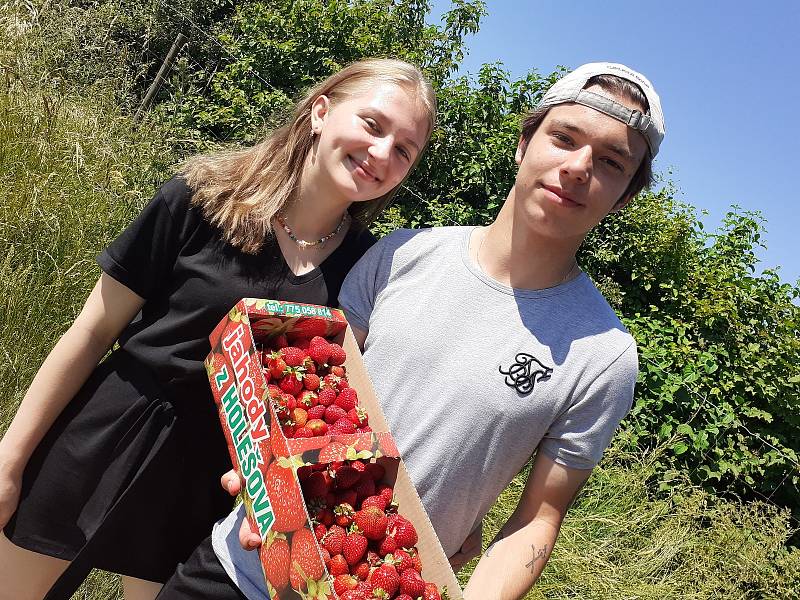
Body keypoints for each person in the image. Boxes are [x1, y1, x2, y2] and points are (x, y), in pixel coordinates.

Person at [165, 61, 665, 600]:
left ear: (625, 195)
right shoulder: (405, 253)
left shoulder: (604, 355)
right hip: (240, 564)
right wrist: (259, 465)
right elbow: (311, 385)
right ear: (525, 143)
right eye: (564, 138)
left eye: (612, 162)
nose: (577, 167)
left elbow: (537, 521)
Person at [0, 58, 436, 600]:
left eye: (404, 150)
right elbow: (91, 332)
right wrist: (10, 459)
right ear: (321, 112)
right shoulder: (204, 196)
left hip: (210, 482)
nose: (381, 154)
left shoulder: (367, 271)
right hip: (109, 432)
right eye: (373, 125)